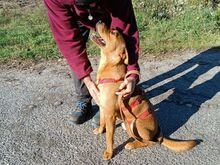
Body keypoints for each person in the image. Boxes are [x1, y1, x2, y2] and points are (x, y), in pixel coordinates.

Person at [44, 0, 140, 125]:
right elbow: (69, 43)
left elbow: (126, 32)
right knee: (76, 59)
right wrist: (87, 80)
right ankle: (84, 98)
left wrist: (132, 73)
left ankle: (110, 103)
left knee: (113, 47)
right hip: (74, 15)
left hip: (108, 11)